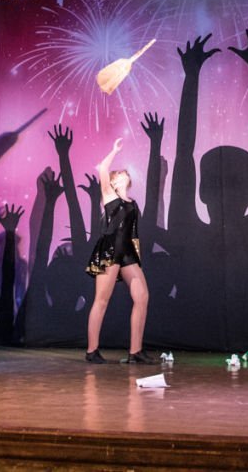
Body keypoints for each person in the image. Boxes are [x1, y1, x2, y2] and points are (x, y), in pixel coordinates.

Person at [83, 137, 150, 363]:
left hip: (128, 252)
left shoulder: (132, 203)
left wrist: (136, 256)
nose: (123, 173)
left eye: (124, 172)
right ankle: (92, 350)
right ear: (113, 182)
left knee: (142, 296)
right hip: (110, 251)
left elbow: (133, 232)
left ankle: (135, 352)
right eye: (119, 173)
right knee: (102, 300)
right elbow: (102, 168)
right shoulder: (109, 195)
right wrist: (114, 150)